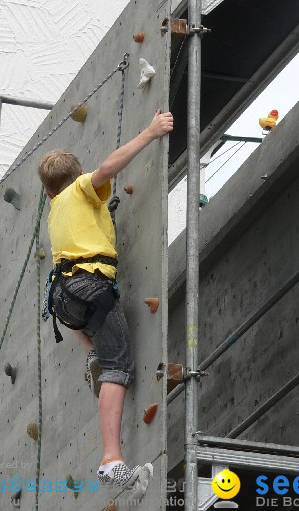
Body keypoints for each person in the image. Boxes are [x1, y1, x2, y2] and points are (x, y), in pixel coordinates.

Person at [37, 109, 174, 489]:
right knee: (119, 369)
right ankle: (111, 459)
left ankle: (92, 352)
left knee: (93, 335)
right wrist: (149, 132)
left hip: (63, 298)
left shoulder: (55, 209)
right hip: (91, 285)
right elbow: (106, 169)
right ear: (75, 177)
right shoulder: (81, 187)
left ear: (48, 191)